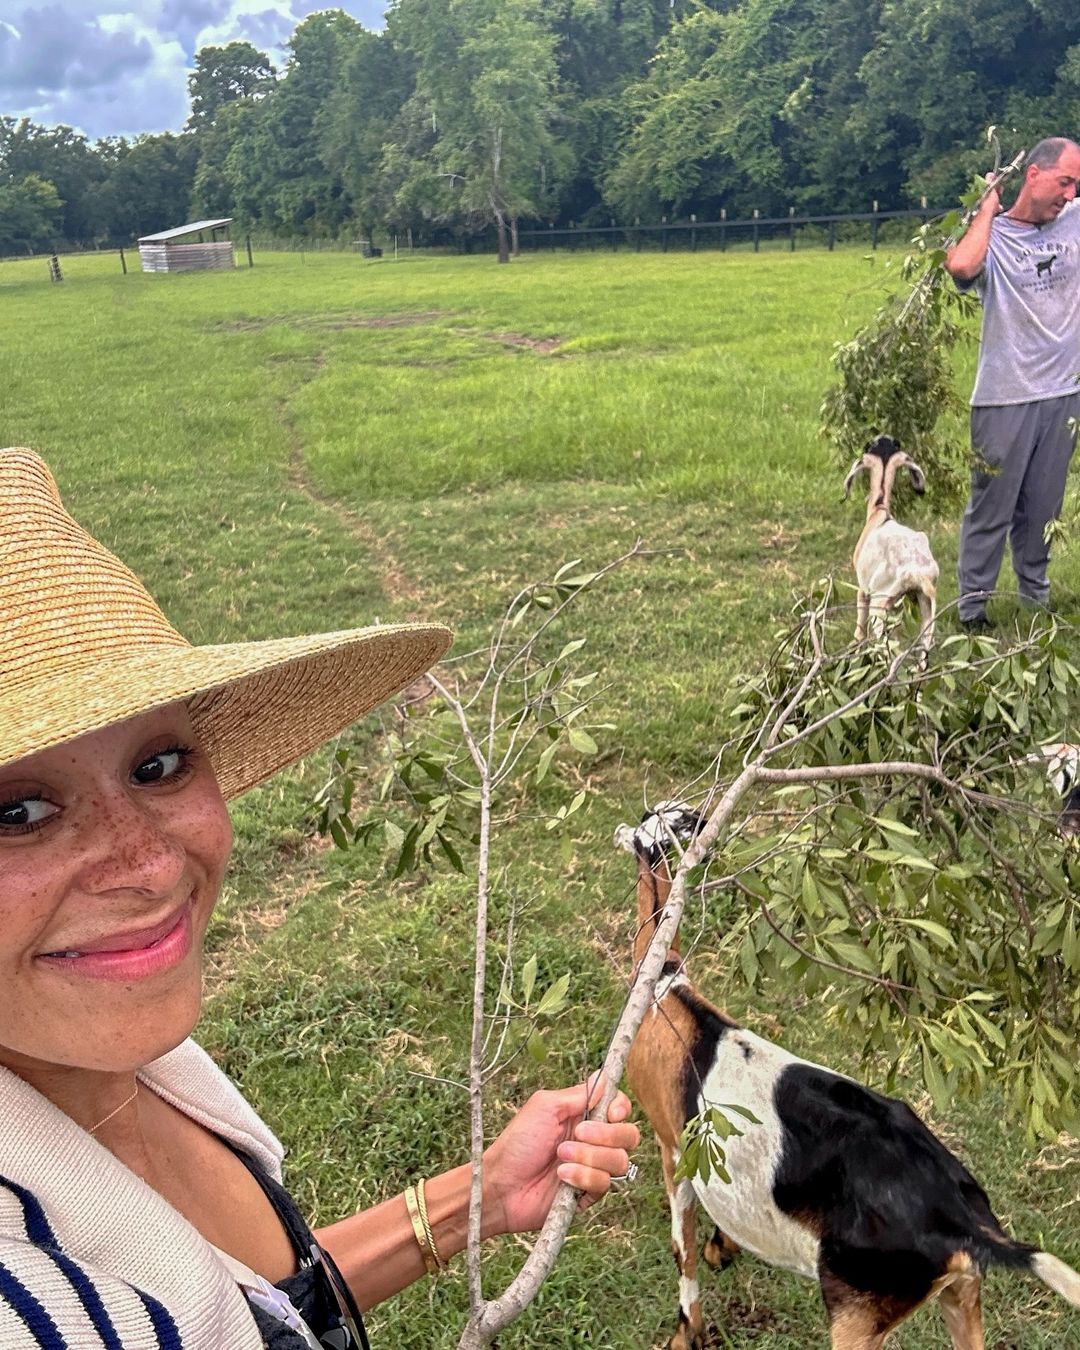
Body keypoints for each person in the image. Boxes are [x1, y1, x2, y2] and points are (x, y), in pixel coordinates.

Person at [0, 447, 640, 1350]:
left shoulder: (120, 1058)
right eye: (18, 812)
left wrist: (480, 1196)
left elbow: (252, 1309)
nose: (150, 864)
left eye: (159, 764)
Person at [945, 136, 1080, 631]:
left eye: (1075, 185)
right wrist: (987, 208)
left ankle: (1034, 598)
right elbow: (961, 266)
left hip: (1064, 394)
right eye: (1064, 182)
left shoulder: (1074, 219)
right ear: (1034, 175)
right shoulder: (992, 235)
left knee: (1043, 508)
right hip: (1004, 396)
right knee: (992, 507)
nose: (1069, 194)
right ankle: (972, 609)